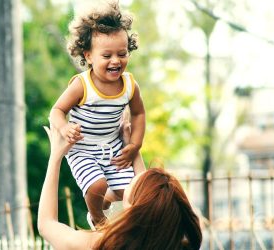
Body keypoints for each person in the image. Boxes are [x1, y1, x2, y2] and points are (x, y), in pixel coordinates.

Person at [49, 1, 146, 228]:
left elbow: (139, 114)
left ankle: (109, 201)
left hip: (113, 147)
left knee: (129, 192)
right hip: (82, 148)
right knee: (97, 186)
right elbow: (56, 111)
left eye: (122, 53)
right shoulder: (82, 85)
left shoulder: (130, 85)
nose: (115, 61)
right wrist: (64, 127)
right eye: (107, 55)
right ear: (89, 56)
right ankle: (98, 219)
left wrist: (134, 145)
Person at [38, 123, 203, 250]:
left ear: (133, 208)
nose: (130, 178)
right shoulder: (175, 243)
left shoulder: (105, 243)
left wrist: (55, 157)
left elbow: (46, 225)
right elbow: (147, 199)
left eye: (131, 182)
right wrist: (131, 146)